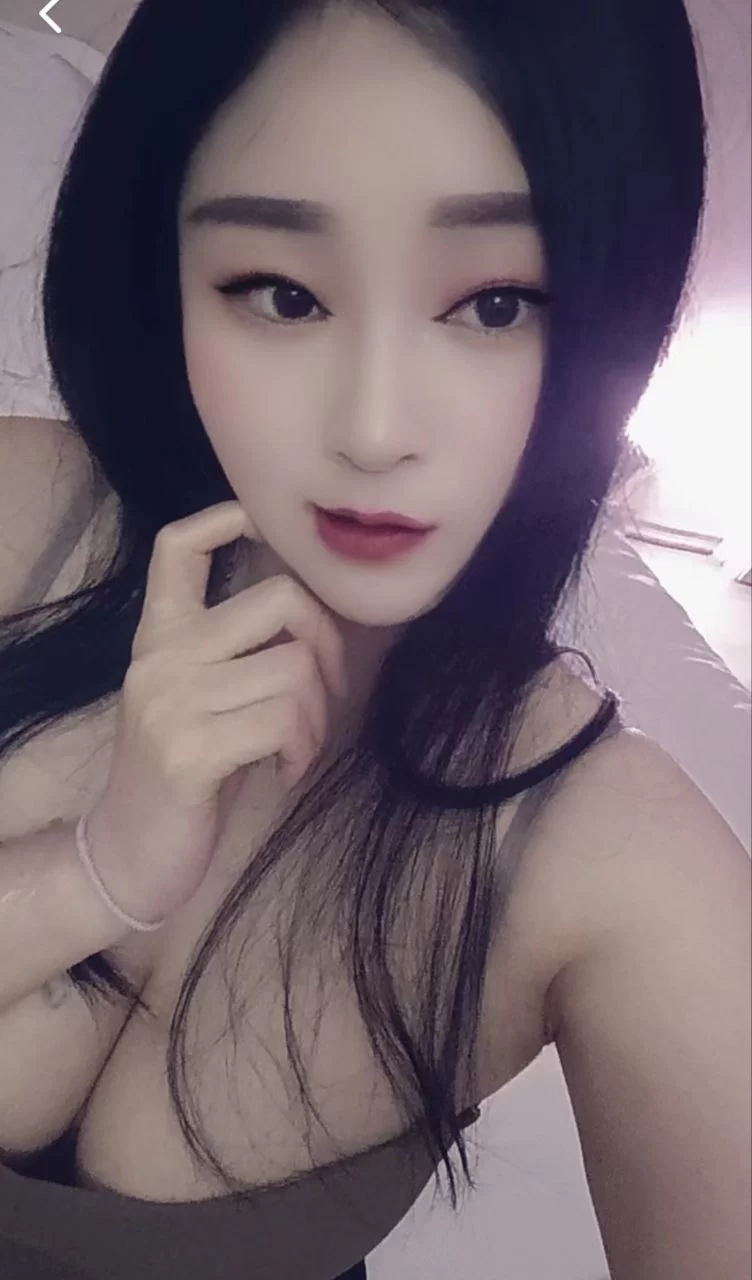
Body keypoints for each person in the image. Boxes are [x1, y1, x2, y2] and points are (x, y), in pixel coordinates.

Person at [0, 2, 749, 1278]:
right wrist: (98, 871)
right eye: (283, 294)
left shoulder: (615, 861)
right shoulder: (21, 513)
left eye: (493, 304)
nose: (373, 427)